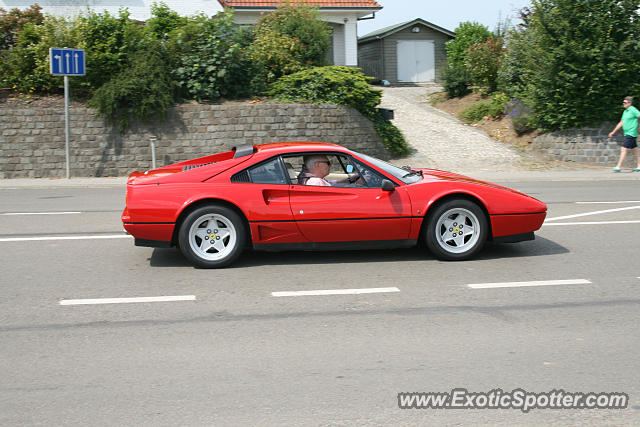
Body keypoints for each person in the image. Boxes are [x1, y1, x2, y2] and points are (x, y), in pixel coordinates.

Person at [608, 96, 640, 172]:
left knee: (623, 148)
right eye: (623, 102)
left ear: (630, 103)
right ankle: (639, 166)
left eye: (625, 102)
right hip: (627, 133)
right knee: (635, 150)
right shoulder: (625, 111)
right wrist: (613, 131)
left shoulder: (633, 110)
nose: (623, 104)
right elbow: (621, 122)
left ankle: (618, 167)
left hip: (631, 133)